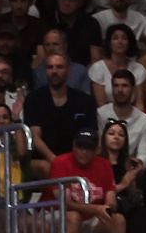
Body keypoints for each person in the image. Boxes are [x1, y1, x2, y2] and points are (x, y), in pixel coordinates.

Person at [24, 50, 99, 179]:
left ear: (69, 70)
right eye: (50, 67)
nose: (54, 71)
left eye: (59, 67)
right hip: (45, 160)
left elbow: (93, 135)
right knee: (48, 168)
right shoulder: (33, 99)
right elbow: (35, 136)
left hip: (78, 158)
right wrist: (56, 161)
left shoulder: (85, 101)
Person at [100, 70, 146, 165]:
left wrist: (132, 167)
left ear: (133, 89)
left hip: (130, 168)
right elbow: (99, 147)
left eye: (125, 86)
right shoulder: (100, 113)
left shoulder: (144, 120)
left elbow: (143, 155)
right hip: (103, 165)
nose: (120, 90)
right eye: (116, 85)